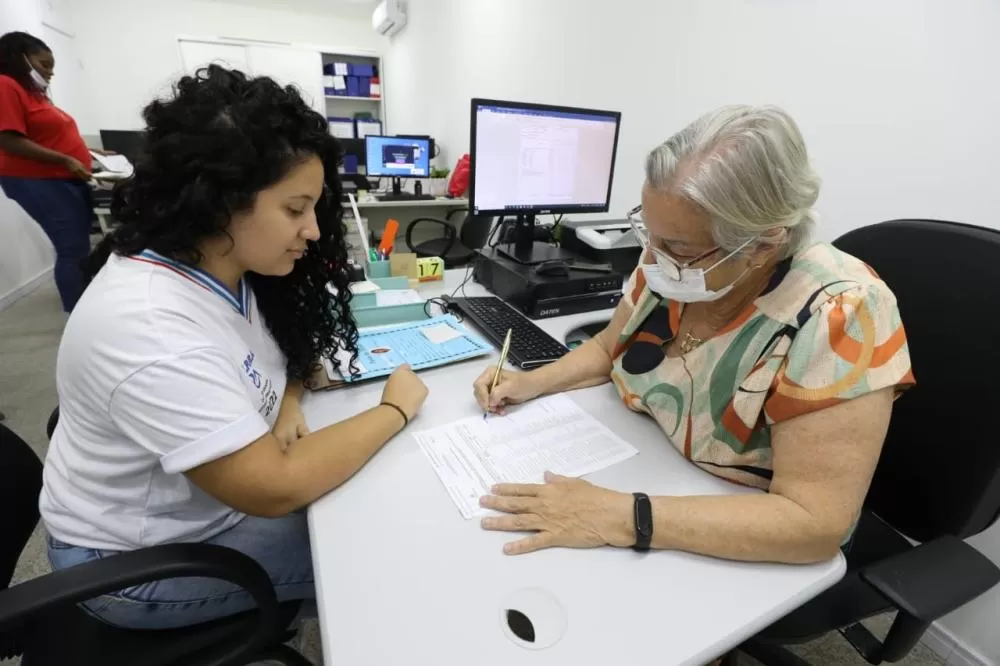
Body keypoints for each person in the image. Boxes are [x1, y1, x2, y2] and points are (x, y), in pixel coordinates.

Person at [39, 65, 429, 630]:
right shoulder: (150, 324)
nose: (314, 230)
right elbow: (274, 486)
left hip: (206, 511)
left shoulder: (226, 265)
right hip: (133, 564)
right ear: (219, 201)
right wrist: (394, 408)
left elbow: (276, 357)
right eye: (295, 209)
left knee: (374, 508)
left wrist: (289, 401)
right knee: (380, 559)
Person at [473, 105, 915, 566]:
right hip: (646, 466)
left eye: (676, 246)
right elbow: (608, 348)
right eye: (650, 233)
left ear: (763, 245)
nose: (651, 257)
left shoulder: (842, 314)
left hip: (727, 529)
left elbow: (816, 523)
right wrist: (528, 382)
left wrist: (623, 514)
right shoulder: (670, 267)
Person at [0, 31, 103, 312]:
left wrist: (92, 153)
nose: (50, 72)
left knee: (79, 245)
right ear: (19, 58)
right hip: (39, 180)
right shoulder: (5, 86)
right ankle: (77, 310)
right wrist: (66, 160)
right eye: (44, 64)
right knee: (72, 247)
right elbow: (8, 140)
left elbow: (52, 135)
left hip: (62, 178)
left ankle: (86, 304)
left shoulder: (35, 93)